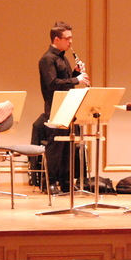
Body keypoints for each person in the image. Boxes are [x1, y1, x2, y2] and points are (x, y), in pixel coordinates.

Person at [39, 21, 91, 194]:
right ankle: (50, 183)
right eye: (67, 38)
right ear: (57, 39)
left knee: (69, 147)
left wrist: (76, 73)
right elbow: (53, 84)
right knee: (55, 147)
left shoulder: (63, 58)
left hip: (68, 107)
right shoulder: (47, 59)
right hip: (55, 108)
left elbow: (65, 82)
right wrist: (77, 80)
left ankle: (66, 182)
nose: (70, 42)